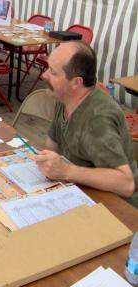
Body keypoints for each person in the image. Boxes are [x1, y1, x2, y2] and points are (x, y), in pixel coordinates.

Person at [34, 41, 138, 208]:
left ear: (76, 82)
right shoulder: (65, 97)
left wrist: (67, 171)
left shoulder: (98, 119)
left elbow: (126, 184)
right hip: (81, 192)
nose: (44, 75)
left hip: (120, 208)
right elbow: (51, 147)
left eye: (52, 72)